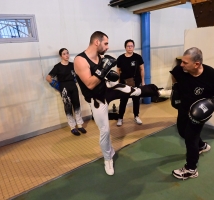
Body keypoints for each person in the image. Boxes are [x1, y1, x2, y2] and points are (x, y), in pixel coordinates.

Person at [74, 31, 171, 176]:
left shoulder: (100, 57)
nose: (107, 47)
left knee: (134, 90)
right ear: (96, 42)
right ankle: (108, 158)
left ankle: (160, 92)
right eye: (105, 43)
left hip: (107, 88)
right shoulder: (80, 60)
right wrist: (104, 69)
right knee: (105, 131)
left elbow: (103, 77)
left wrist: (109, 75)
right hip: (97, 99)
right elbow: (89, 84)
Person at [170, 47, 214, 180]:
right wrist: (176, 89)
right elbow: (174, 76)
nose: (181, 64)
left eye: (185, 62)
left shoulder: (212, 75)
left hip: (199, 112)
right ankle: (202, 145)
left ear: (196, 64)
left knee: (191, 138)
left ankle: (191, 169)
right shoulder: (179, 70)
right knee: (182, 132)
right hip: (184, 108)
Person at [46, 48, 87, 136]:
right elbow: (48, 78)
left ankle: (80, 125)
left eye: (67, 53)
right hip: (64, 88)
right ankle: (72, 127)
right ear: (61, 56)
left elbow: (78, 75)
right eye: (64, 54)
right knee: (68, 108)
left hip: (73, 86)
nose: (66, 55)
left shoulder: (73, 65)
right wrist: (58, 86)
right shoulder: (57, 67)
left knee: (77, 105)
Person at [116, 39, 145, 126]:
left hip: (136, 82)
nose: (130, 48)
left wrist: (143, 81)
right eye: (128, 46)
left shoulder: (138, 57)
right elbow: (118, 70)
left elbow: (142, 69)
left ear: (133, 47)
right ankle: (120, 118)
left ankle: (136, 116)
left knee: (136, 100)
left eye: (131, 46)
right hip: (124, 83)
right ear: (125, 47)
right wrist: (118, 83)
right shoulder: (120, 58)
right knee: (123, 101)